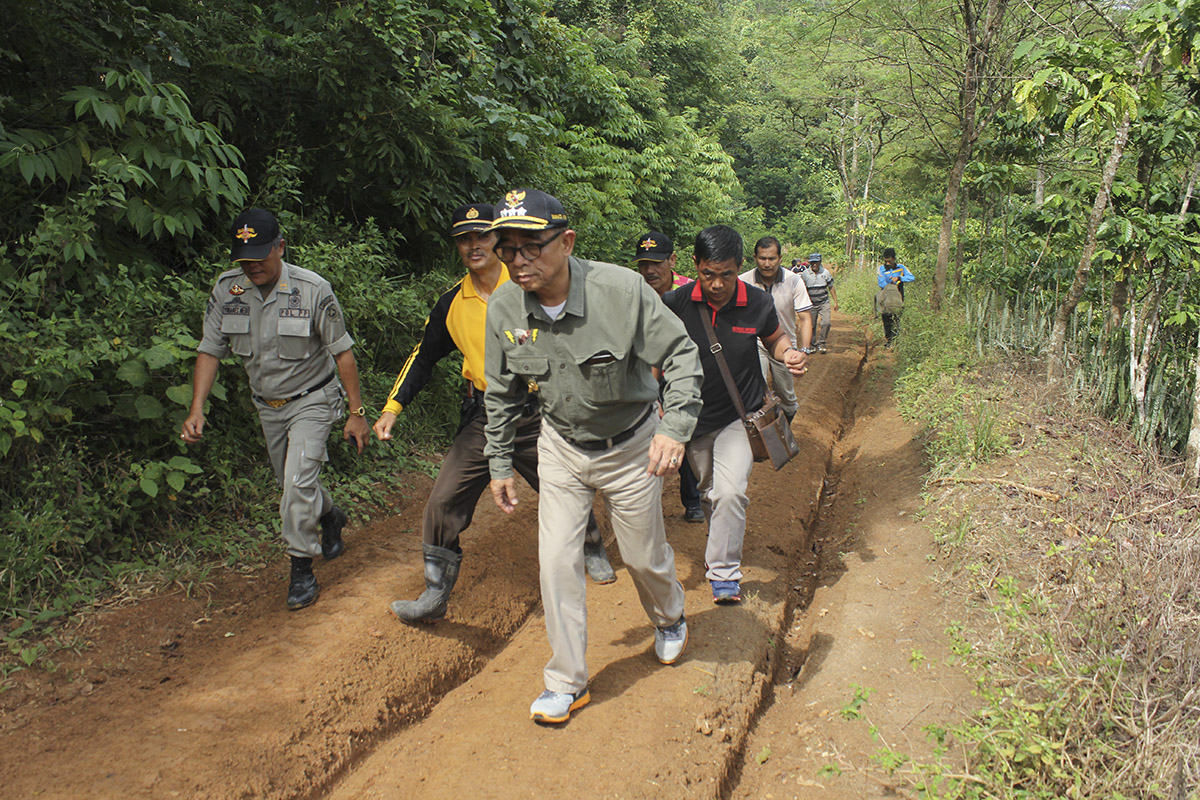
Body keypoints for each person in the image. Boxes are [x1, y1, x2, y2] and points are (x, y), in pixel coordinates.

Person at [483, 189, 703, 725]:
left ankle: (670, 616)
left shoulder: (620, 291)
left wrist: (673, 428)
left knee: (643, 554)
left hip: (630, 446)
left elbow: (681, 354)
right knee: (557, 560)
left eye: (531, 246)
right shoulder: (506, 307)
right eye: (507, 249)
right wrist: (498, 462)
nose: (518, 260)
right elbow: (502, 391)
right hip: (560, 447)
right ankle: (566, 682)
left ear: (567, 242)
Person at [374, 204, 616, 625]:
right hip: (486, 414)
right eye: (464, 239)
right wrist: (393, 407)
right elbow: (424, 355)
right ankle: (435, 591)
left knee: (563, 488)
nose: (473, 246)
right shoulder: (453, 302)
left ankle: (591, 546)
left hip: (542, 409)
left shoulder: (529, 281)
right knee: (443, 499)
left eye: (482, 236)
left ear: (499, 242)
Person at [181, 208, 370, 611]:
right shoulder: (227, 291)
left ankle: (301, 570)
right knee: (293, 486)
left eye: (260, 256)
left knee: (297, 483)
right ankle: (332, 516)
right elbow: (210, 350)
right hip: (267, 405)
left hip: (314, 400)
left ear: (280, 247)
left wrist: (357, 412)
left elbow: (343, 353)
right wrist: (197, 408)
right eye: (244, 259)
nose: (252, 266)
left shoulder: (313, 289)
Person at [664, 226, 809, 604]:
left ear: (739, 267)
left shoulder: (757, 303)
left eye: (726, 274)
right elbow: (653, 356)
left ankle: (724, 573)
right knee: (711, 493)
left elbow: (775, 338)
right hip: (691, 420)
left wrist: (787, 353)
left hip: (738, 416)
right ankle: (721, 549)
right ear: (695, 265)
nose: (716, 284)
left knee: (730, 492)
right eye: (708, 274)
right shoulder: (675, 304)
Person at [633, 231, 704, 524]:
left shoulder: (691, 292)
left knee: (684, 432)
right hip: (648, 372)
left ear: (672, 260)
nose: (650, 270)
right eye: (644, 264)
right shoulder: (634, 293)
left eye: (657, 263)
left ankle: (693, 500)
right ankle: (645, 508)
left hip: (685, 373)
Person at [738, 236, 813, 423]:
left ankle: (786, 430)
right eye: (762, 258)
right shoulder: (742, 281)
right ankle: (760, 441)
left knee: (787, 397)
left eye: (771, 258)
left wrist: (804, 350)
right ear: (755, 257)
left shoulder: (794, 281)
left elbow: (804, 318)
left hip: (783, 344)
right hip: (754, 343)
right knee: (756, 394)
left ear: (780, 258)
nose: (767, 263)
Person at [798, 252, 838, 353]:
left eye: (816, 262)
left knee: (826, 323)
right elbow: (802, 289)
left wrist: (836, 302)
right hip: (811, 303)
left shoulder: (826, 273)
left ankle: (822, 343)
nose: (814, 265)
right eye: (812, 263)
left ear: (820, 262)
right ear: (809, 263)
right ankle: (812, 344)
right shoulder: (805, 274)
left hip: (824, 302)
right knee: (811, 325)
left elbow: (831, 287)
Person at [875, 280, 905, 347]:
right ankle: (895, 340)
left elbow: (879, 300)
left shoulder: (884, 290)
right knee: (896, 323)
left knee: (887, 323)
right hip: (897, 309)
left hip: (887, 309)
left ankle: (889, 340)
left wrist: (879, 312)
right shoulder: (898, 291)